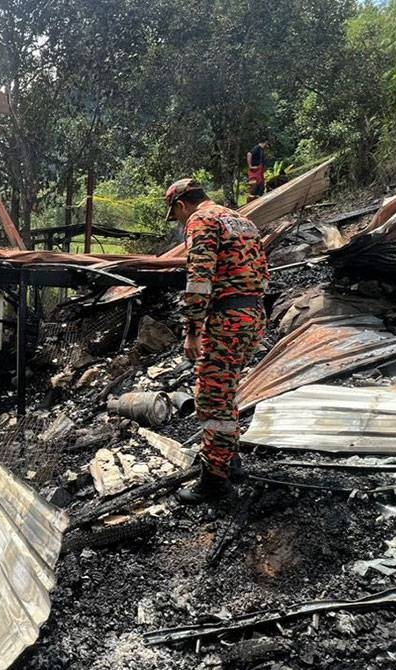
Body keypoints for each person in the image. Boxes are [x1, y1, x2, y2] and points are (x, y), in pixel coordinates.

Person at [163, 178, 268, 504]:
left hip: (226, 320)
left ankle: (214, 481)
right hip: (252, 315)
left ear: (181, 205)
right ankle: (230, 460)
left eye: (176, 216)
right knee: (226, 392)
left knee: (211, 399)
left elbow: (199, 278)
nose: (179, 222)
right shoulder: (243, 221)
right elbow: (262, 273)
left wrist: (193, 330)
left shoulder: (200, 220)